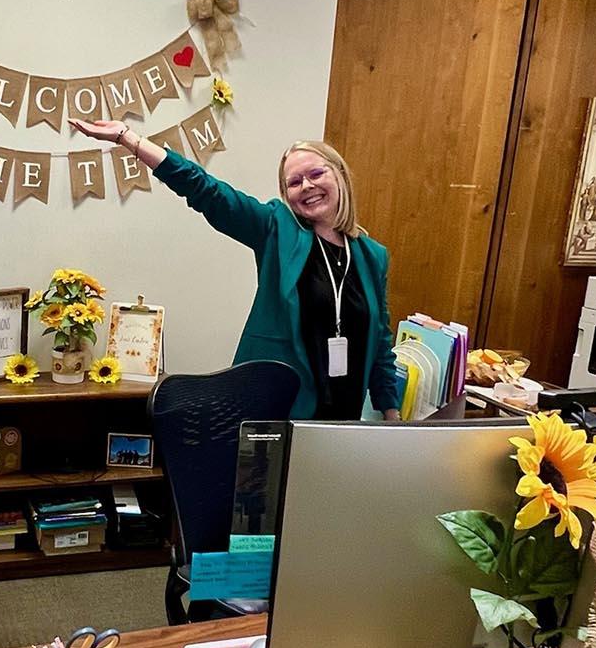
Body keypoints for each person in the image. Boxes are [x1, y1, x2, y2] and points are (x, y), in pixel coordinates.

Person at [68, 118, 400, 421]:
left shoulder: (372, 256)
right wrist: (130, 138)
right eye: (295, 182)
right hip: (280, 410)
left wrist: (392, 413)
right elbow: (207, 191)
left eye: (316, 174)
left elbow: (381, 344)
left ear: (340, 175)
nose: (307, 186)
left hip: (344, 415)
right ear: (287, 195)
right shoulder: (276, 229)